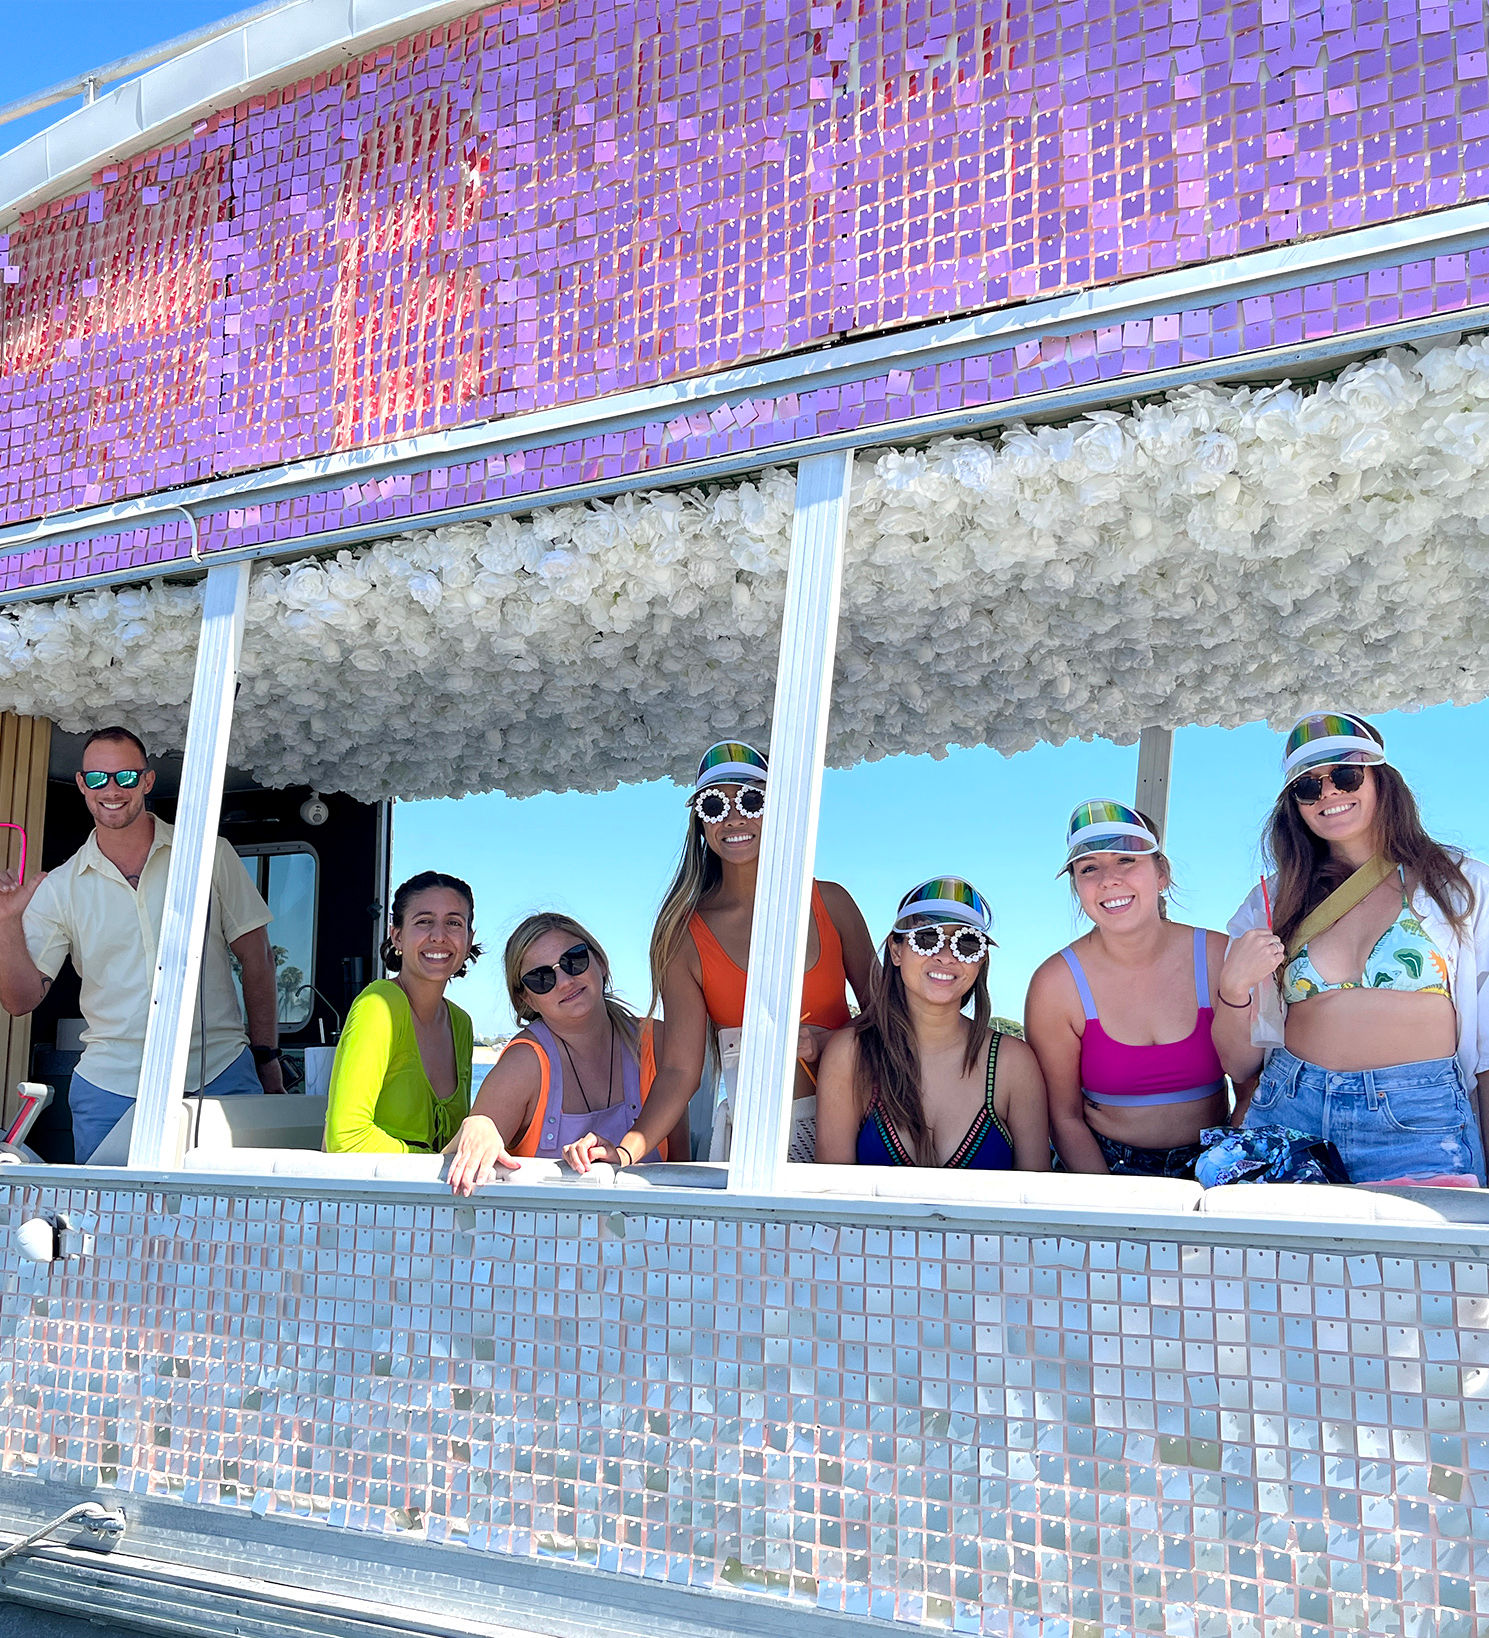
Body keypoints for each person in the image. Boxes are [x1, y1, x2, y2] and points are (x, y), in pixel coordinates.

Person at [564, 740, 876, 1172]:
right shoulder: (683, 934)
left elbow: (891, 1016)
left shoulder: (831, 903)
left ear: (777, 811)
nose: (733, 817)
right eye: (714, 805)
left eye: (751, 800)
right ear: (700, 822)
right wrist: (625, 1151)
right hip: (758, 1144)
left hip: (861, 1123)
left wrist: (827, 1043)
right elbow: (679, 1070)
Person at [1214, 709, 1488, 1187]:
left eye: (1345, 775)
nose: (1328, 793)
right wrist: (1234, 988)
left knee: (1426, 1240)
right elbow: (1238, 1065)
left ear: (1382, 780)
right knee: (1275, 1242)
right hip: (1291, 1109)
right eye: (1308, 786)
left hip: (1421, 1118)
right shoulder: (1272, 900)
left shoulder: (1460, 883)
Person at [0, 726, 282, 1164]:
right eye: (98, 778)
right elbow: (20, 1001)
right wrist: (6, 924)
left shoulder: (210, 853)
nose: (112, 790)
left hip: (221, 1072)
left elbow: (258, 959)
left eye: (126, 777)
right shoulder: (59, 886)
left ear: (147, 781)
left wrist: (266, 1058)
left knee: (236, 1208)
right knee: (114, 1212)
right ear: (82, 785)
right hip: (110, 1088)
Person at [1025, 801, 1229, 1177]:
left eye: (1126, 860)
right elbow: (1063, 1117)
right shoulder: (1055, 984)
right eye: (1089, 868)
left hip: (1215, 1164)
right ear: (1077, 886)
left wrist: (1225, 1176)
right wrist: (1109, 1199)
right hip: (1106, 1168)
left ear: (1161, 873)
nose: (1108, 880)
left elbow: (1252, 1085)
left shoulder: (1217, 957)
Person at [445, 913, 690, 1194]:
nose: (564, 981)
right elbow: (460, 1169)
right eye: (541, 978)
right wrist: (477, 1125)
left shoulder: (657, 1043)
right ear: (526, 998)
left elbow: (683, 1168)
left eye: (574, 960)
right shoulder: (524, 1064)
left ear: (600, 961)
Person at [816, 877, 1048, 1168]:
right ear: (897, 951)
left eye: (967, 943)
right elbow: (832, 1189)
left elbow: (1036, 1190)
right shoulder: (850, 1055)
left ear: (980, 960)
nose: (946, 957)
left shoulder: (1013, 1063)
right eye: (927, 939)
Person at [324, 871, 479, 1154]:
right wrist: (439, 1164)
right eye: (424, 921)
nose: (439, 936)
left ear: (469, 940)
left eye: (453, 923)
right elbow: (345, 1139)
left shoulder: (461, 1024)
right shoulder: (379, 1005)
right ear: (397, 936)